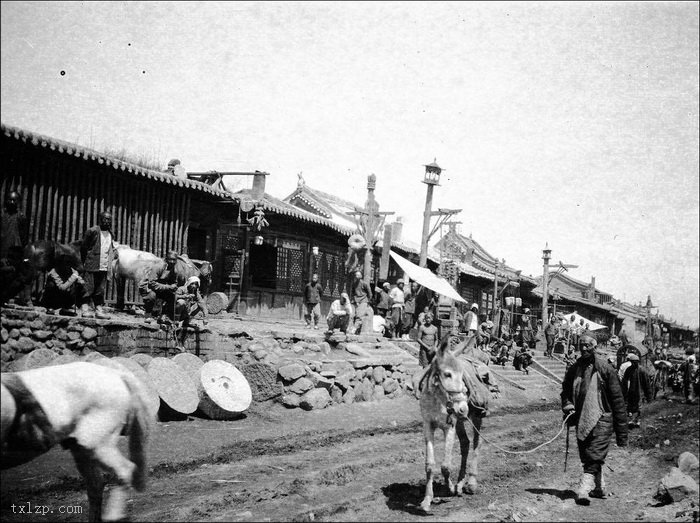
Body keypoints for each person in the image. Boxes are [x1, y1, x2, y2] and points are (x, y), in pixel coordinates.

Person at [561, 335, 628, 505]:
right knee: (587, 454)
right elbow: (565, 392)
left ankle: (583, 489)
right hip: (581, 418)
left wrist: (622, 434)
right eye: (581, 345)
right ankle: (599, 488)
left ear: (594, 347)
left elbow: (618, 401)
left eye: (588, 346)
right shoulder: (574, 368)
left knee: (594, 454)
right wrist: (568, 404)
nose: (584, 349)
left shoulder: (605, 369)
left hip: (603, 418)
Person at [80, 211, 118, 319]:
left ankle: (98, 310)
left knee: (100, 289)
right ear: (100, 219)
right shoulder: (92, 231)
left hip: (104, 265)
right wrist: (85, 261)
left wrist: (114, 252)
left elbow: (110, 247)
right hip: (92, 264)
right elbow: (84, 247)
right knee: (88, 287)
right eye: (105, 219)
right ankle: (85, 308)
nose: (107, 221)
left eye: (109, 219)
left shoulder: (111, 234)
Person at [139, 250, 186, 321]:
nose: (172, 262)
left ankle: (164, 315)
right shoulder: (159, 267)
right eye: (170, 259)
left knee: (172, 297)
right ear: (166, 259)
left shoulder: (174, 270)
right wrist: (168, 287)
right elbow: (151, 283)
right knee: (151, 296)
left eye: (174, 260)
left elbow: (174, 282)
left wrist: (174, 287)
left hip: (161, 288)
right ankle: (148, 315)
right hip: (148, 287)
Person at [40, 252, 91, 316]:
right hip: (55, 298)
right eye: (64, 265)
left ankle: (76, 308)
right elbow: (62, 287)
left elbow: (81, 283)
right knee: (51, 285)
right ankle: (50, 307)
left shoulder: (72, 271)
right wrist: (73, 278)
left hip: (66, 297)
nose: (67, 267)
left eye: (68, 265)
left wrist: (80, 282)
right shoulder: (53, 272)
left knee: (80, 287)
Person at [174, 275, 208, 345]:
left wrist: (205, 317)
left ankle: (187, 321)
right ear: (189, 283)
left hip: (186, 313)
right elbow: (174, 297)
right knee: (181, 302)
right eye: (192, 283)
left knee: (199, 306)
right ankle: (176, 322)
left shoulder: (196, 294)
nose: (194, 286)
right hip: (175, 312)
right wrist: (185, 296)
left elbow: (202, 304)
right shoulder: (181, 289)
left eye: (196, 284)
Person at [620, 353, 652, 429]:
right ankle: (631, 420)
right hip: (631, 391)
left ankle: (638, 420)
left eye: (635, 362)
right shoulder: (629, 369)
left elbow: (647, 384)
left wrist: (648, 395)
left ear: (638, 362)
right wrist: (624, 390)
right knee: (631, 406)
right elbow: (625, 380)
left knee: (639, 407)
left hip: (640, 391)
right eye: (632, 362)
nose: (634, 363)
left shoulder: (642, 370)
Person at [0, 190, 29, 260]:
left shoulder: (21, 217)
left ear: (18, 202)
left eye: (14, 200)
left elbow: (23, 236)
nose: (12, 202)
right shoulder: (2, 215)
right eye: (10, 200)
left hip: (15, 248)